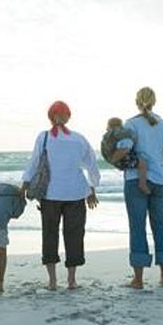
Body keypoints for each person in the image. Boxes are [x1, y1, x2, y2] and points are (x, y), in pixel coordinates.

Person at [21, 101, 100, 291]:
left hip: (50, 195)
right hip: (75, 194)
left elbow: (34, 163)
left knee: (50, 235)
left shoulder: (44, 137)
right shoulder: (79, 139)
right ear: (68, 116)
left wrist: (24, 185)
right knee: (74, 235)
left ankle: (53, 281)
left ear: (50, 117)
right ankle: (71, 280)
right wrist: (92, 188)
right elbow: (92, 165)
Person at [123, 87, 163, 289]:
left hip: (136, 181)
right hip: (160, 181)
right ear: (154, 101)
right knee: (159, 225)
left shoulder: (131, 124)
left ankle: (138, 279)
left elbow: (123, 151)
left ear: (136, 101)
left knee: (137, 226)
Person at [101, 117, 150, 194]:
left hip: (112, 157)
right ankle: (142, 184)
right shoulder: (122, 133)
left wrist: (112, 159)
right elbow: (126, 146)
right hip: (122, 157)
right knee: (143, 164)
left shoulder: (107, 136)